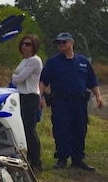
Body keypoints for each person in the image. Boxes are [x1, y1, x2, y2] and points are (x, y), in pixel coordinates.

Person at [39, 32, 103, 171]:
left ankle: (78, 158)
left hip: (79, 102)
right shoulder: (53, 62)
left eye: (64, 42)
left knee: (80, 129)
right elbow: (43, 81)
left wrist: (98, 96)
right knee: (62, 129)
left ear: (71, 43)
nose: (61, 45)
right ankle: (62, 158)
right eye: (59, 43)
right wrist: (40, 96)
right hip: (61, 102)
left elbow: (92, 81)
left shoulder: (83, 61)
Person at [11, 34, 43, 171]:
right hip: (21, 96)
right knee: (23, 128)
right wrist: (16, 77)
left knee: (29, 130)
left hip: (30, 96)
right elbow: (18, 78)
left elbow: (19, 78)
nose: (25, 46)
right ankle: (28, 158)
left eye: (28, 44)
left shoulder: (34, 60)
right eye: (23, 44)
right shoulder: (25, 60)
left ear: (34, 46)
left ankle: (35, 161)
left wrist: (14, 77)